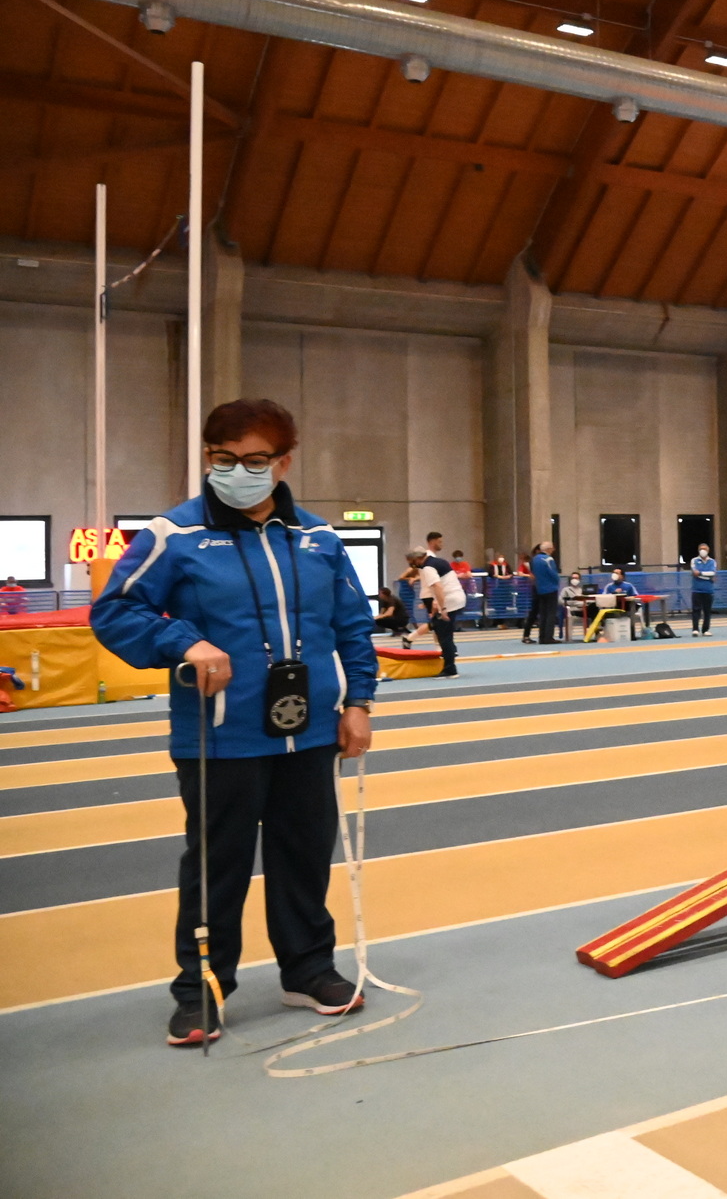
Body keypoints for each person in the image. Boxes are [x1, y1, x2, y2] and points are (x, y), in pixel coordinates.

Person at [90, 398, 377, 1047]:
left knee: (304, 856)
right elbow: (115, 612)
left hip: (310, 731)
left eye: (254, 460)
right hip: (220, 737)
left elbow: (352, 626)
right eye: (223, 459)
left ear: (284, 462)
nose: (236, 472)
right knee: (216, 866)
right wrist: (184, 642)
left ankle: (308, 969)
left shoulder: (319, 539)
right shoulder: (173, 535)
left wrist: (358, 702)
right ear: (207, 458)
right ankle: (202, 989)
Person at [403, 548, 463, 676]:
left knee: (444, 635)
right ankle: (449, 660)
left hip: (449, 601)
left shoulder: (428, 568)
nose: (412, 565)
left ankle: (450, 669)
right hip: (457, 597)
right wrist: (436, 604)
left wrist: (443, 608)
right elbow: (443, 585)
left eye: (412, 561)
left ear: (417, 558)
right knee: (438, 626)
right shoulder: (440, 561)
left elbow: (438, 587)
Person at [523, 541, 560, 644]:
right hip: (550, 588)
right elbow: (553, 574)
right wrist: (557, 581)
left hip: (539, 589)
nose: (553, 550)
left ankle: (542, 637)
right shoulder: (548, 559)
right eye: (552, 548)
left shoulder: (534, 559)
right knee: (551, 613)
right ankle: (548, 637)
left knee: (543, 613)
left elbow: (533, 573)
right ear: (548, 549)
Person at [688, 543, 718, 637]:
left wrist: (700, 574)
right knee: (696, 610)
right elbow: (695, 572)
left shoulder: (712, 561)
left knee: (707, 611)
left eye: (704, 549)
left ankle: (705, 630)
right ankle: (695, 629)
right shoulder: (694, 560)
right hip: (697, 590)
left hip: (708, 590)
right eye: (701, 549)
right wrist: (708, 577)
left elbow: (712, 573)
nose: (703, 551)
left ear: (708, 551)